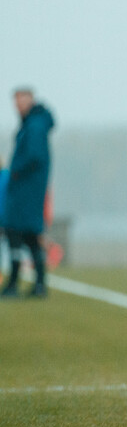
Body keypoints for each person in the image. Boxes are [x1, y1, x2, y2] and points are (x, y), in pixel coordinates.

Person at [1, 88, 56, 299]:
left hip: (26, 189)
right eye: (15, 102)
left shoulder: (34, 126)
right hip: (28, 188)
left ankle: (15, 283)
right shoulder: (33, 124)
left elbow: (34, 156)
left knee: (15, 231)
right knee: (31, 235)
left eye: (21, 101)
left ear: (30, 100)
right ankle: (39, 284)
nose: (18, 106)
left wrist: (15, 170)